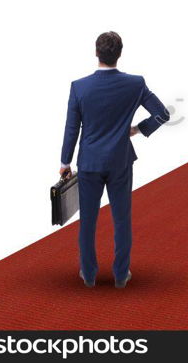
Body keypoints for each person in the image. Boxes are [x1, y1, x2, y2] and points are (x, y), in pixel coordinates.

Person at [59, 31, 169, 288]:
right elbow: (162, 114)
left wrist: (65, 162)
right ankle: (121, 275)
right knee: (122, 220)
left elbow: (71, 129)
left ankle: (88, 274)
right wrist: (138, 129)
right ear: (120, 54)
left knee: (87, 221)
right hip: (120, 161)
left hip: (89, 164)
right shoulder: (135, 84)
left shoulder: (79, 87)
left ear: (96, 52)